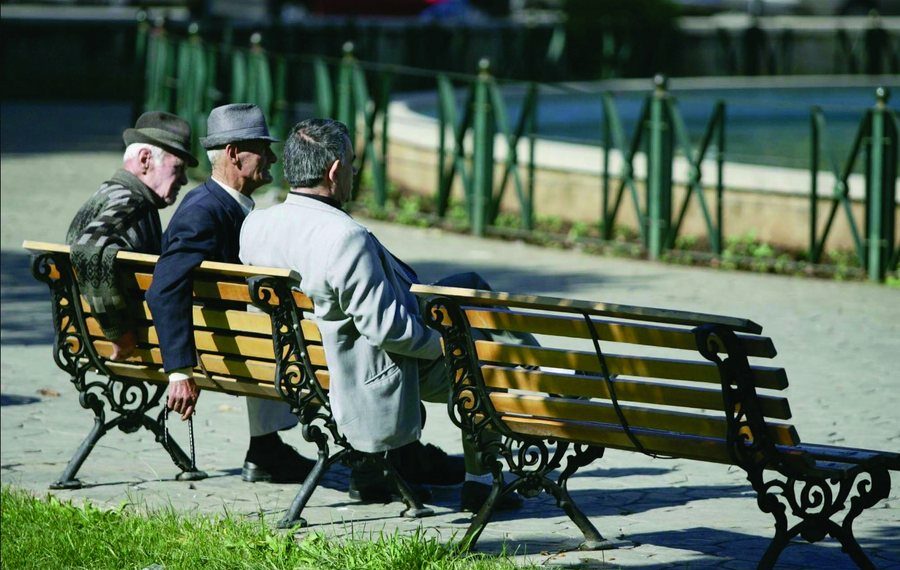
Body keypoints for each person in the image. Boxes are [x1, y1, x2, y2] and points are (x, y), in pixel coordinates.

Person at [239, 118, 535, 512]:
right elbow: (390, 330)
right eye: (352, 163)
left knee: (469, 284)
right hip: (368, 371)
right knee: (479, 362)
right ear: (334, 170)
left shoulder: (257, 224)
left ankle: (543, 372)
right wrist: (452, 346)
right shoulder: (345, 238)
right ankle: (483, 482)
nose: (355, 172)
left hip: (305, 361)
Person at [146, 103, 313, 484]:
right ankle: (381, 457)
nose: (272, 157)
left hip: (240, 345)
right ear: (235, 154)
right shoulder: (203, 213)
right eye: (262, 148)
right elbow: (164, 287)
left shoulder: (218, 205)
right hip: (238, 351)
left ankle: (266, 448)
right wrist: (178, 372)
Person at [67, 111, 198, 361]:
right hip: (134, 347)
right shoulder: (132, 203)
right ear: (145, 159)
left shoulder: (107, 193)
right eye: (178, 168)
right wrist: (119, 334)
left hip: (83, 335)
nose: (184, 179)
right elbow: (88, 247)